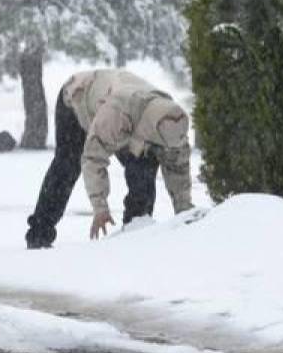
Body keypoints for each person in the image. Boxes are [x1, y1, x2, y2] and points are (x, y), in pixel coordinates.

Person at [25, 69, 194, 249]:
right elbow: (93, 159)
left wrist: (184, 212)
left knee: (143, 170)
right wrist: (100, 209)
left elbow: (178, 167)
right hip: (79, 99)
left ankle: (135, 235)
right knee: (68, 165)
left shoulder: (174, 123)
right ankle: (39, 234)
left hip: (127, 112)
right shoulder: (117, 114)